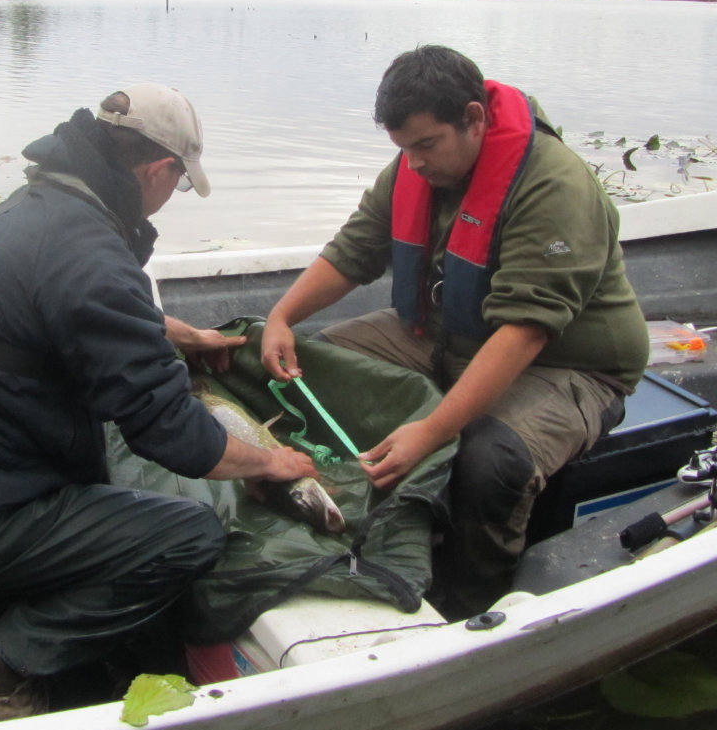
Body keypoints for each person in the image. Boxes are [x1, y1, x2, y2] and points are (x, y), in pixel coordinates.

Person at [0, 83, 316, 723]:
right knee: (187, 535)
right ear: (159, 170)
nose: (172, 196)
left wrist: (174, 331)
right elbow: (172, 435)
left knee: (96, 449)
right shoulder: (90, 251)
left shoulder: (39, 206)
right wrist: (268, 464)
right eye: (180, 184)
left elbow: (64, 305)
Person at [260, 45, 648, 615]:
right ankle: (355, 521)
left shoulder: (554, 183)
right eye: (402, 149)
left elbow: (525, 332)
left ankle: (470, 601)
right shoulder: (417, 166)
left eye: (425, 145)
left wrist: (434, 428)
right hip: (442, 335)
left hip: (565, 363)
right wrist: (281, 317)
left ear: (473, 118)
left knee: (489, 461)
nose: (413, 163)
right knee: (312, 368)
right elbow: (354, 250)